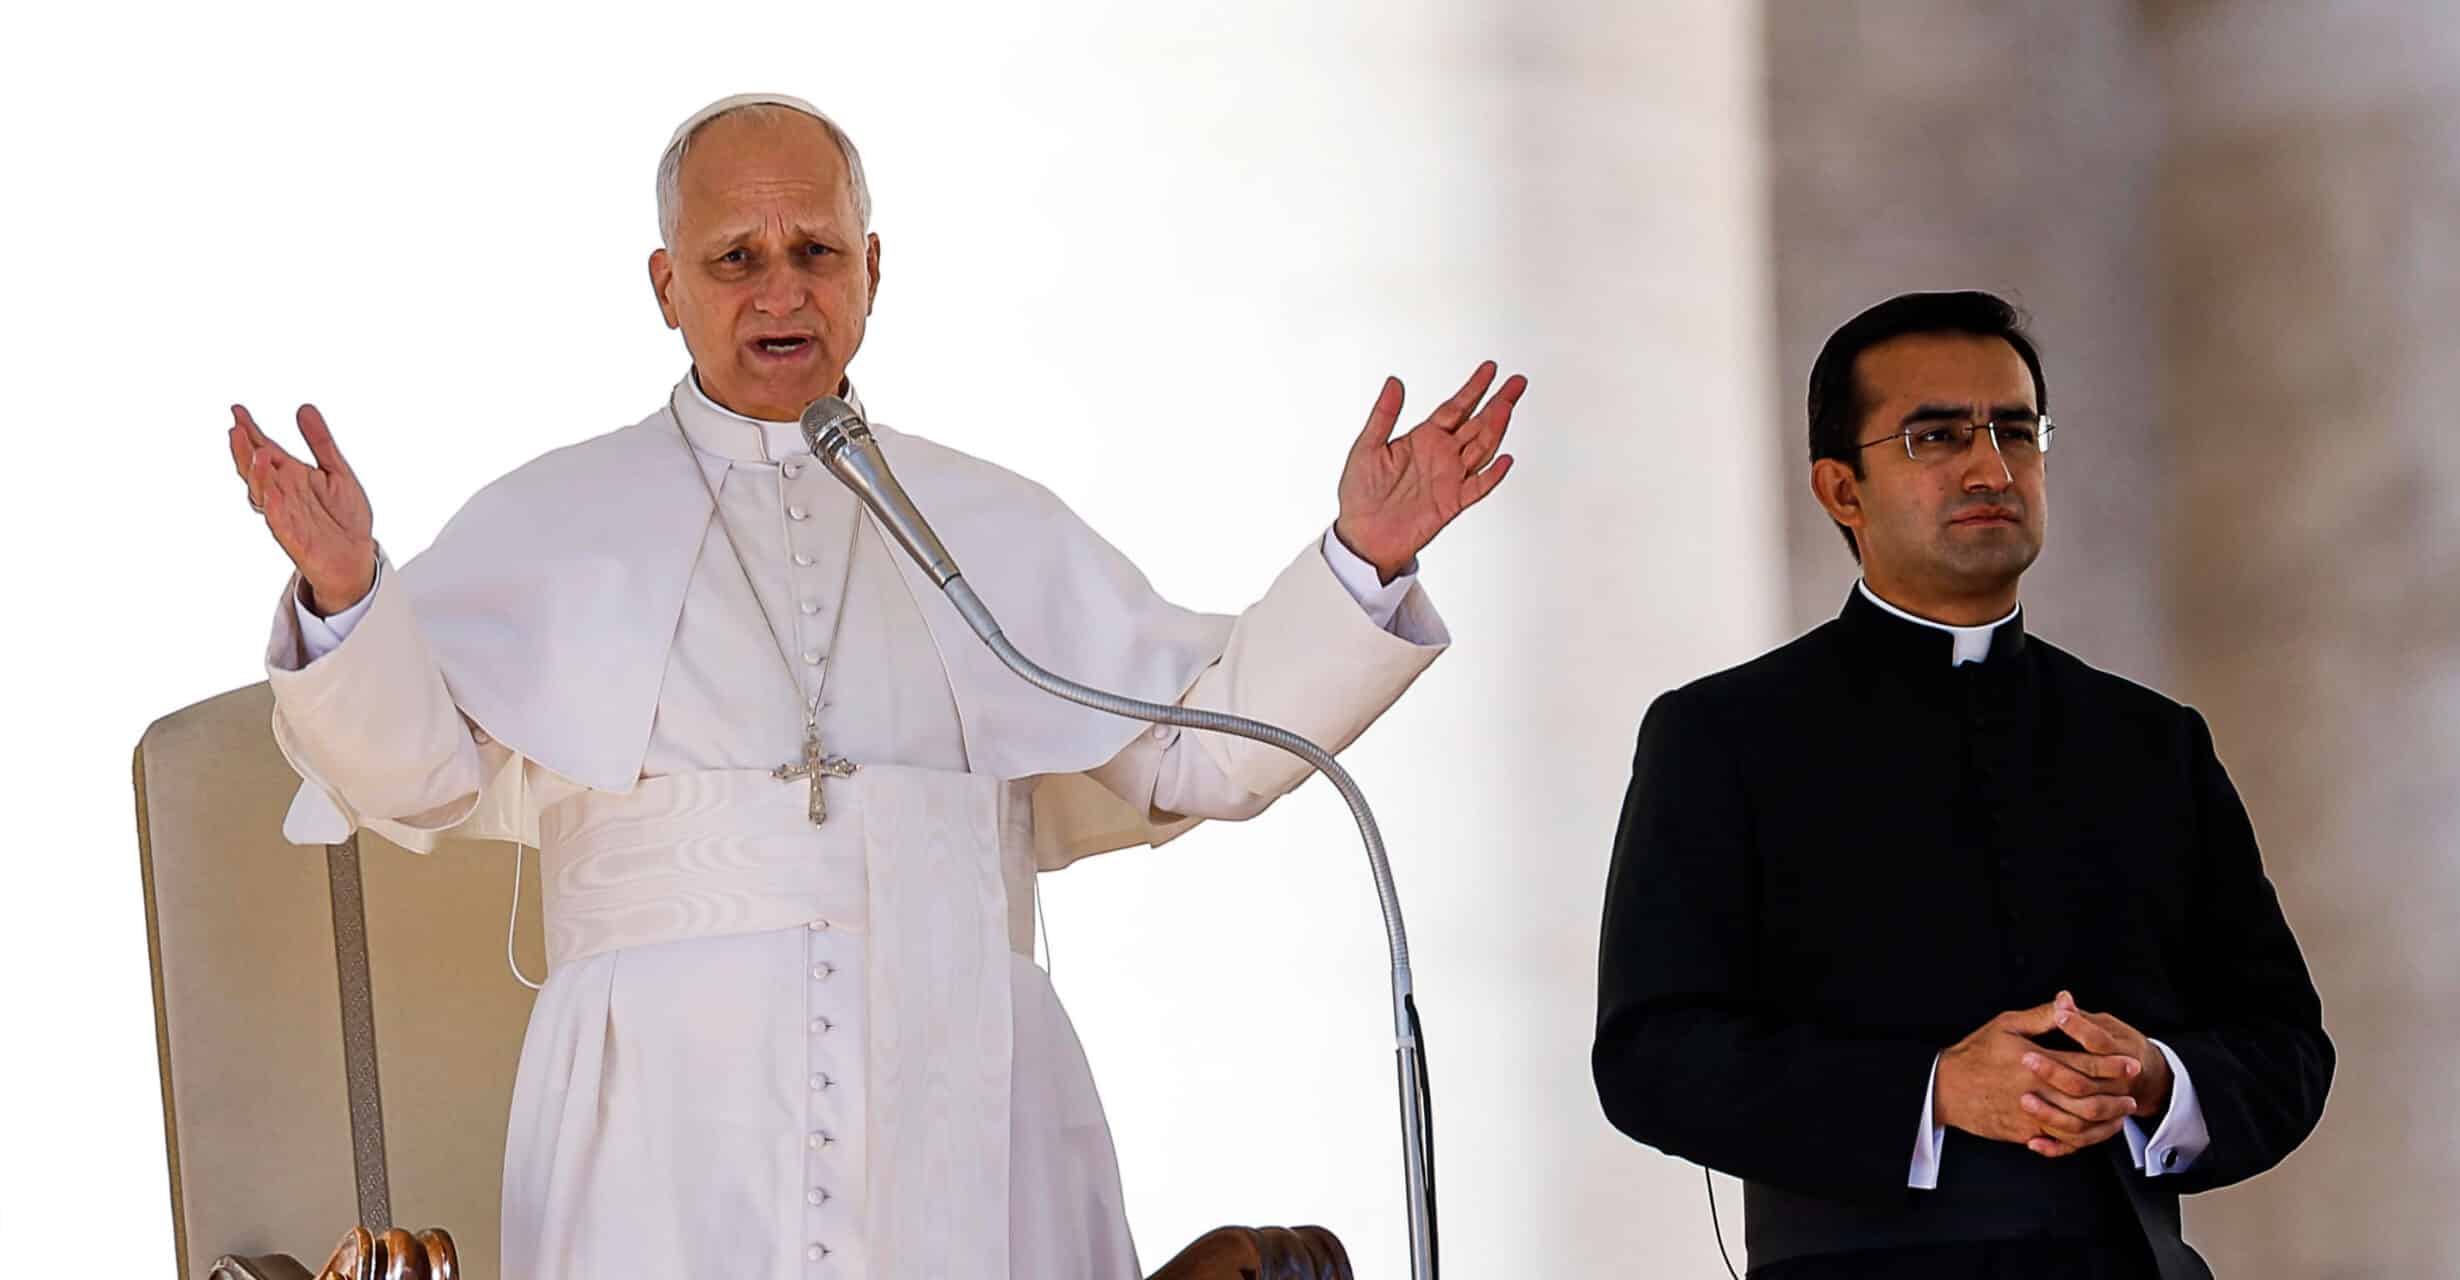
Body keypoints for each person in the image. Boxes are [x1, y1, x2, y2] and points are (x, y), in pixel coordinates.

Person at [225, 92, 1523, 1280]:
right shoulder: (555, 521)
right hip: (664, 1122)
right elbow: (414, 774)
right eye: (736, 257)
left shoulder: (986, 521)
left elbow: (1201, 752)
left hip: (964, 1089)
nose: (779, 289)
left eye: (816, 252)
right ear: (667, 285)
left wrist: (1366, 558)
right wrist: (349, 595)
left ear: (874, 270)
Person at [1592, 291, 2330, 1278]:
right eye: (1935, 435)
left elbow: (2283, 1045)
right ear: (1840, 490)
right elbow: (1651, 1056)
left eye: (2015, 430)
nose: (1990, 467)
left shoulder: (2152, 741)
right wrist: (1933, 1089)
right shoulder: (1723, 734)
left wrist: (2155, 1077)